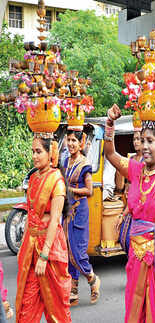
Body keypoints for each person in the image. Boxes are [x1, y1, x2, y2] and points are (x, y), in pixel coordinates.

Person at [104, 104, 155, 322]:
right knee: (134, 311)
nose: (145, 146)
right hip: (135, 256)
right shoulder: (135, 169)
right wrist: (110, 124)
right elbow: (110, 154)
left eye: (151, 141)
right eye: (143, 140)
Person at [15, 136, 72, 323]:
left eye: (39, 151)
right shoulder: (33, 178)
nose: (34, 156)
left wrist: (44, 256)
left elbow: (55, 219)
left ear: (51, 153)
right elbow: (31, 214)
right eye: (33, 151)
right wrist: (23, 245)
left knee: (57, 310)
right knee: (26, 309)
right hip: (31, 249)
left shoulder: (57, 181)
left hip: (50, 251)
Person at [62, 129, 100, 306]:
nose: (70, 144)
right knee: (68, 250)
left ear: (81, 143)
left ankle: (92, 279)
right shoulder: (65, 161)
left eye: (74, 141)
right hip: (68, 210)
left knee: (78, 252)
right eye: (68, 140)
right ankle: (73, 289)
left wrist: (71, 190)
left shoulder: (84, 163)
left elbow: (89, 190)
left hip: (80, 210)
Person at [119, 130, 143, 253]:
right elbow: (124, 182)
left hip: (141, 201)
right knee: (123, 235)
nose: (136, 142)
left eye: (138, 139)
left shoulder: (147, 160)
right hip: (129, 199)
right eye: (134, 139)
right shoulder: (131, 158)